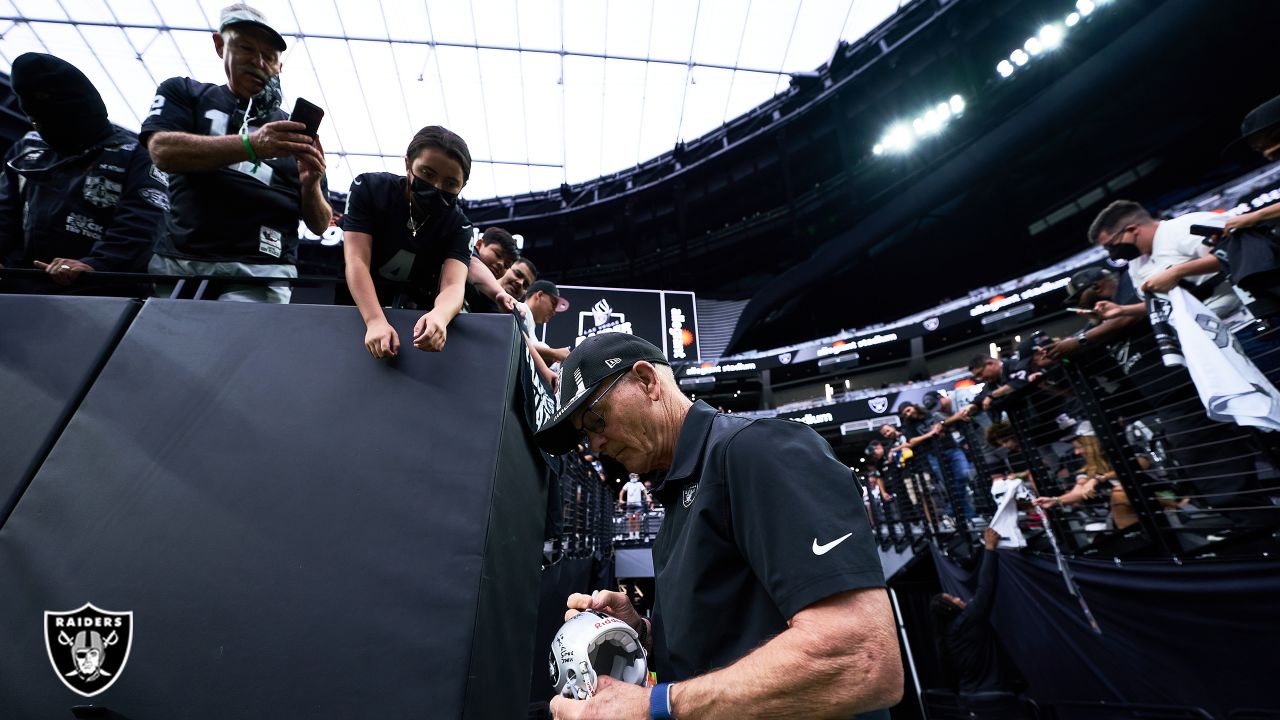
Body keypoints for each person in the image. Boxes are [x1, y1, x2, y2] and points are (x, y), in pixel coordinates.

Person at [534, 334, 902, 719]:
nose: (595, 443)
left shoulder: (755, 450)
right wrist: (641, 634)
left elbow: (862, 659)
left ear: (646, 380)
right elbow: (722, 649)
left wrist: (654, 707)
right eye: (584, 434)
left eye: (594, 418)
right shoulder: (678, 496)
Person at [141, 3, 330, 303]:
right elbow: (162, 150)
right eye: (245, 48)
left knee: (236, 348)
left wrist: (311, 184)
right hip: (180, 263)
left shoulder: (292, 130)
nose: (258, 62)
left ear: (280, 67)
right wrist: (251, 145)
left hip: (262, 269)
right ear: (220, 45)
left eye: (269, 57)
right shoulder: (185, 92)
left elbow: (320, 224)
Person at [0, 53, 165, 295]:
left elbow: (142, 225)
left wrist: (95, 265)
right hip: (21, 289)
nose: (46, 124)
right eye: (37, 118)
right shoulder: (28, 150)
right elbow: (4, 213)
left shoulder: (136, 155)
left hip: (101, 295)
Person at [340, 126, 474, 358]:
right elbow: (356, 260)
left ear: (462, 186)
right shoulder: (369, 189)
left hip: (417, 322)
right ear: (407, 164)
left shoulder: (459, 226)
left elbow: (453, 285)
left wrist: (440, 316)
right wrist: (374, 320)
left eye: (451, 183)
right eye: (428, 173)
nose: (437, 187)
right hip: (355, 308)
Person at [931, 528, 1026, 694]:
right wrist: (990, 548)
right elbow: (985, 587)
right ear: (949, 608)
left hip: (971, 696)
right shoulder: (968, 620)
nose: (959, 599)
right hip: (994, 694)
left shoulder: (948, 636)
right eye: (953, 600)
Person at [618, 473, 649, 541]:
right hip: (630, 505)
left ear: (638, 477)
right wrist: (620, 499)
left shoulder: (639, 484)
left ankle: (637, 535)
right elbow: (621, 492)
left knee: (637, 520)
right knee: (630, 520)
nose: (634, 477)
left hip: (638, 504)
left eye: (635, 476)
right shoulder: (628, 484)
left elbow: (645, 491)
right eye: (632, 476)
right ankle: (631, 535)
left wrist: (648, 498)